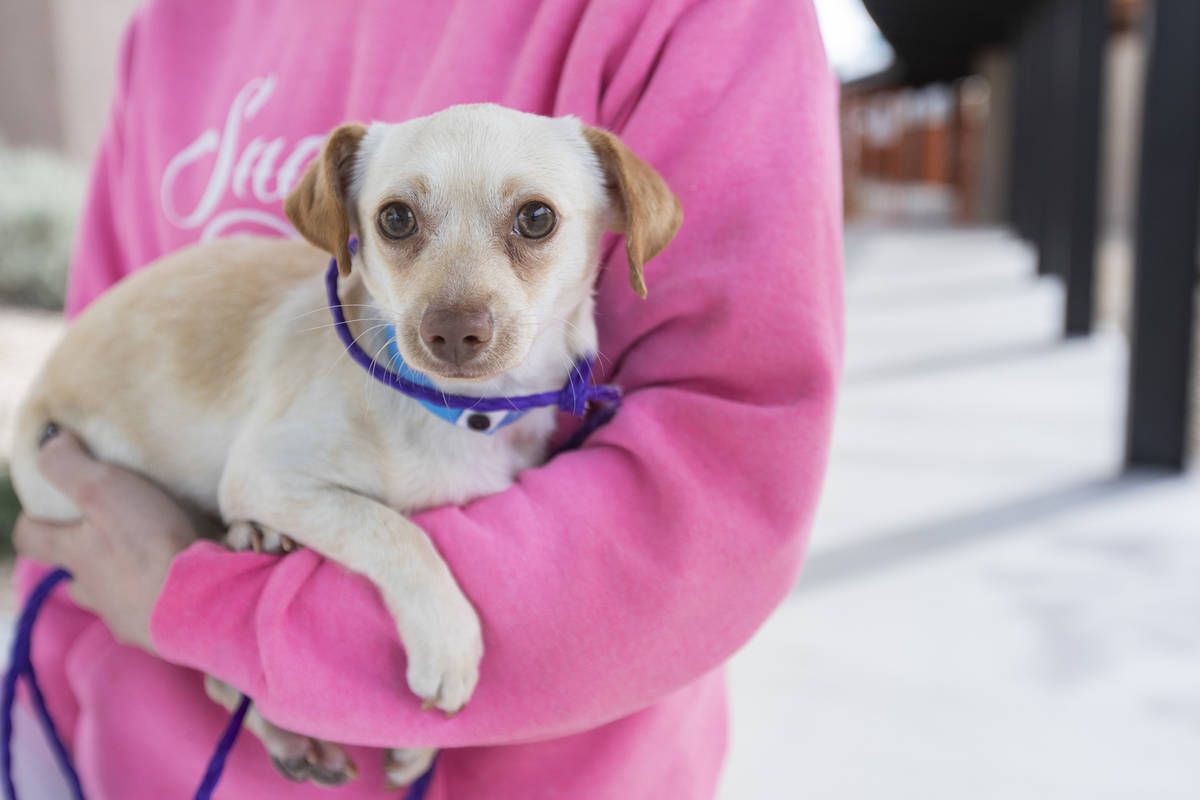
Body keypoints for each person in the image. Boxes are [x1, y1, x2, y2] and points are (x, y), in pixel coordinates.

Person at [12, 0, 843, 797]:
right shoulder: (171, 25)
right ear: (353, 231)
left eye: (533, 224)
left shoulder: (701, 13)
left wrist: (215, 608)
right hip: (137, 754)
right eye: (403, 223)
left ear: (612, 223)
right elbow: (103, 505)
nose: (459, 315)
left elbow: (721, 482)